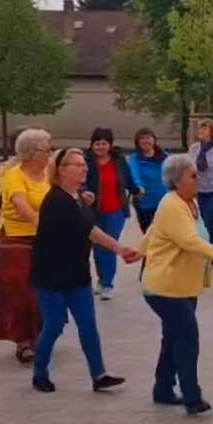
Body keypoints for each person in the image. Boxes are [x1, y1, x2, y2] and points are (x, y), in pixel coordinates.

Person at [130, 153, 213, 415]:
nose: (198, 179)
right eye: (193, 175)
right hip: (165, 287)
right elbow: (189, 241)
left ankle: (163, 389)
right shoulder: (172, 205)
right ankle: (192, 397)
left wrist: (138, 250)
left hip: (182, 285)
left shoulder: (187, 202)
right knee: (188, 337)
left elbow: (153, 231)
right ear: (177, 180)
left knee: (173, 337)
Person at [30, 148, 131, 393]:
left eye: (84, 165)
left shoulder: (75, 198)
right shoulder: (57, 201)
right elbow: (91, 231)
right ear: (61, 170)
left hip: (76, 272)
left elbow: (87, 223)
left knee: (88, 325)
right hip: (51, 275)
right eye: (77, 165)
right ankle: (39, 373)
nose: (84, 168)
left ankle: (99, 374)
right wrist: (120, 249)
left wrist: (86, 202)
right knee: (54, 325)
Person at [0, 128, 52, 364]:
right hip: (16, 239)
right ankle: (23, 341)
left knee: (43, 289)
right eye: (47, 149)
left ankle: (41, 334)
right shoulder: (12, 175)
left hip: (44, 239)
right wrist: (48, 225)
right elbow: (23, 207)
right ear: (31, 152)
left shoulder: (49, 173)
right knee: (18, 289)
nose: (50, 153)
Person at [84, 127, 142, 299]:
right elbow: (80, 181)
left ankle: (107, 283)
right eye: (97, 143)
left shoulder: (118, 160)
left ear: (110, 145)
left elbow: (128, 179)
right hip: (93, 210)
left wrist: (136, 190)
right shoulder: (86, 161)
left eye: (104, 143)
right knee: (97, 246)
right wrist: (84, 193)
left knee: (109, 245)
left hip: (115, 210)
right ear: (92, 145)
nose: (100, 147)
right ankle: (102, 279)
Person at [127, 128, 169, 233]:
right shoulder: (134, 158)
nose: (146, 141)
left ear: (154, 140)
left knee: (165, 234)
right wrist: (138, 186)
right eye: (142, 138)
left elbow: (174, 174)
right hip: (144, 203)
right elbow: (134, 174)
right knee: (149, 234)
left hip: (164, 202)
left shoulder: (165, 157)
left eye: (148, 137)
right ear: (137, 142)